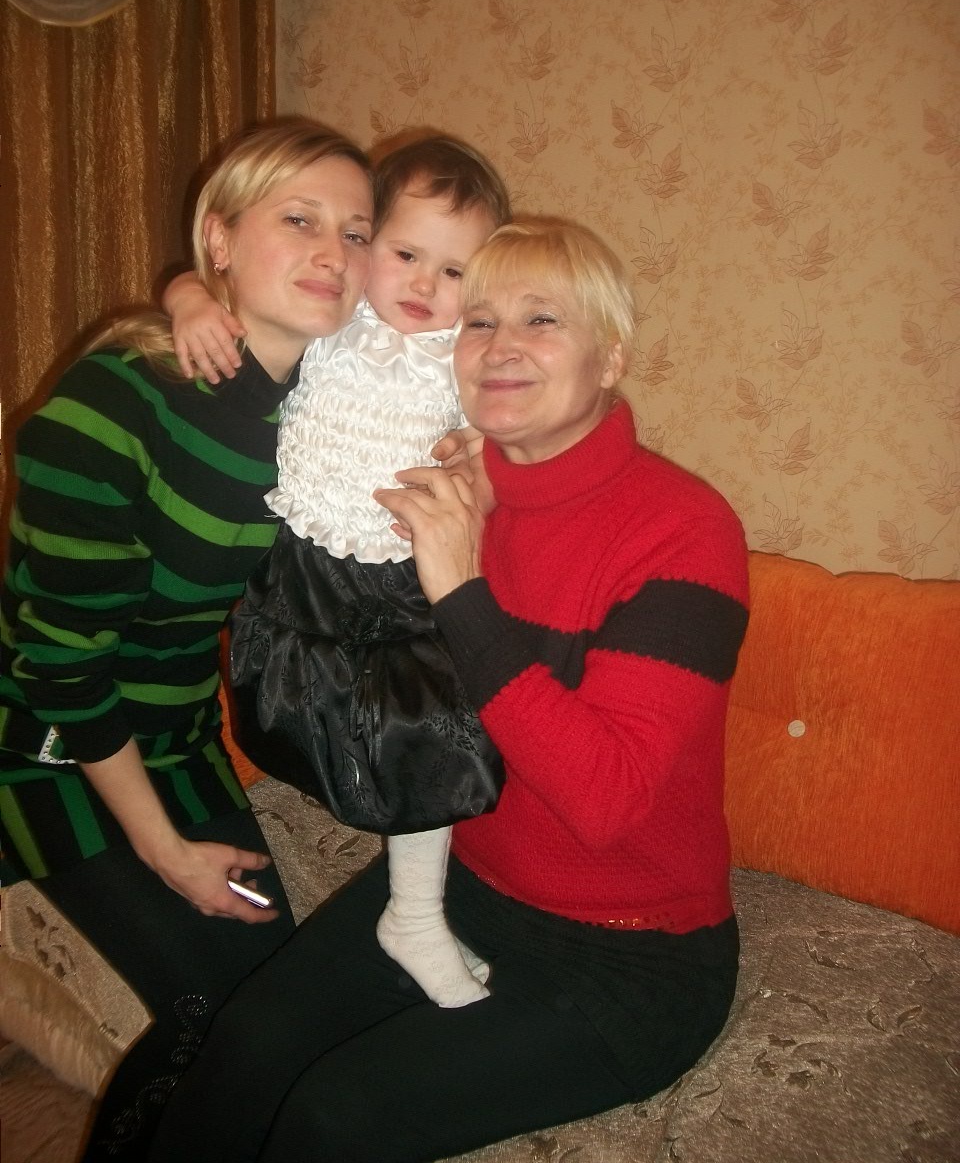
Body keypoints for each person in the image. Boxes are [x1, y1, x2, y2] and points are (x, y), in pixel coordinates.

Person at [146, 218, 751, 1163]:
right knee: (246, 1042)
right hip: (469, 890)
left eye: (541, 320)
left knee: (336, 1115)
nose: (501, 347)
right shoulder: (445, 483)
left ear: (610, 356)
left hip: (630, 954)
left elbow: (606, 799)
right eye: (479, 321)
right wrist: (189, 290)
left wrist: (461, 591)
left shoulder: (683, 530)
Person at [0, 117, 375, 1161]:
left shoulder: (325, 411)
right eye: (299, 219)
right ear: (220, 237)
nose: (333, 252)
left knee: (271, 1010)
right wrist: (164, 853)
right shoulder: (113, 405)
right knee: (217, 1010)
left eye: (355, 232)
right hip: (49, 745)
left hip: (176, 736)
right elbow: (62, 667)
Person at [165, 135, 512, 1009]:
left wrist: (482, 457)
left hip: (403, 580)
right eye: (405, 254)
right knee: (301, 704)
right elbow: (219, 296)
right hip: (303, 571)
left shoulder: (463, 355)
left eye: (454, 270)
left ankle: (416, 915)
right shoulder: (334, 318)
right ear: (368, 247)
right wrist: (185, 297)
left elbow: (507, 436)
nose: (425, 284)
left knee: (434, 729)